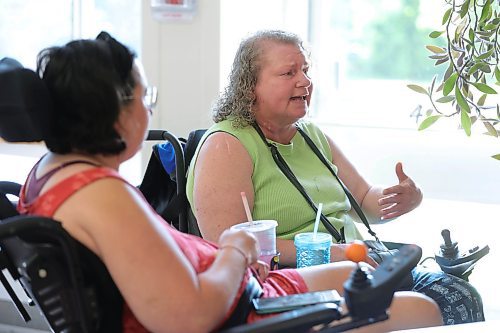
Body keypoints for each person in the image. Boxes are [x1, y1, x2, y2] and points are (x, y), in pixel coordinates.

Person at [14, 32, 443, 333]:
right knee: (423, 309)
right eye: (147, 98)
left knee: (360, 271)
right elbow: (191, 317)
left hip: (243, 293)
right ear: (113, 110)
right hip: (247, 314)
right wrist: (236, 250)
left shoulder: (52, 174)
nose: (149, 111)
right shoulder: (103, 196)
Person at [186, 29, 484, 325]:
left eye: (305, 70)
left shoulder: (313, 135)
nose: (305, 80)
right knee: (432, 308)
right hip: (295, 284)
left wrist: (403, 198)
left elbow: (366, 201)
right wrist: (330, 253)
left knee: (461, 295)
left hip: (360, 266)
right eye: (289, 73)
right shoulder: (226, 145)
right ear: (250, 87)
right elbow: (225, 243)